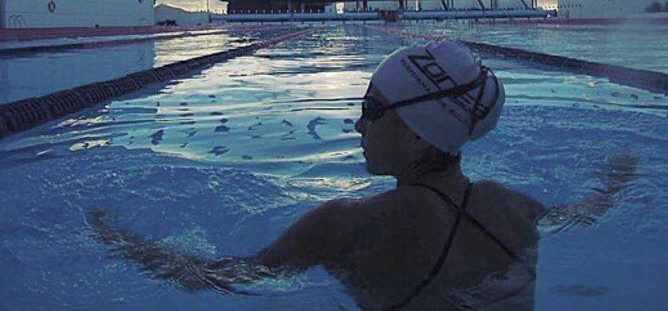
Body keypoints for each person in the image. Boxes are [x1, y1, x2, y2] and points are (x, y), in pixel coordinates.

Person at [88, 40, 637, 310]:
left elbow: (220, 278)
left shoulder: (350, 224)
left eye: (373, 109)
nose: (357, 124)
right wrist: (616, 177)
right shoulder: (518, 210)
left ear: (422, 133)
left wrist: (115, 237)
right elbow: (584, 214)